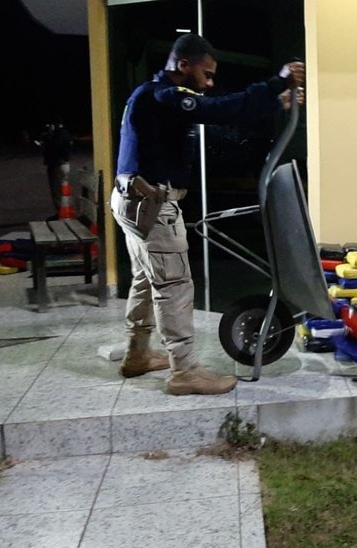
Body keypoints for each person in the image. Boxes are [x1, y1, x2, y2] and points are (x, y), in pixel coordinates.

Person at [111, 33, 303, 395]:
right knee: (174, 286)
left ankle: (137, 355)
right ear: (184, 65)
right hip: (151, 205)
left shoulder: (152, 95)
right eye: (207, 74)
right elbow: (222, 109)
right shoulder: (163, 95)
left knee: (145, 280)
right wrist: (278, 82)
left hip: (132, 201)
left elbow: (217, 109)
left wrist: (274, 103)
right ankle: (184, 373)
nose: (210, 83)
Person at [35, 122, 73, 218]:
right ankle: (65, 211)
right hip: (64, 163)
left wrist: (45, 144)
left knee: (57, 190)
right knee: (64, 190)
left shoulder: (57, 135)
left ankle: (61, 212)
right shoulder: (65, 133)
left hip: (57, 164)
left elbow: (53, 148)